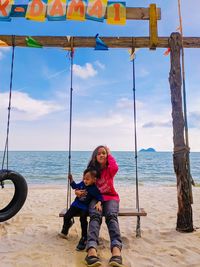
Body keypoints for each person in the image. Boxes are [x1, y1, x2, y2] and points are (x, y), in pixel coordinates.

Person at [75, 146, 123, 267]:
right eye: (99, 153)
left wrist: (109, 153)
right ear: (95, 157)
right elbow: (84, 183)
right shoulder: (92, 171)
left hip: (111, 197)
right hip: (96, 199)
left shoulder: (110, 169)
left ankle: (116, 250)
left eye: (104, 153)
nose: (102, 155)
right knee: (95, 217)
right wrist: (77, 191)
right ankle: (91, 250)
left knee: (111, 216)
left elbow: (115, 167)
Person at [60, 168, 103, 251]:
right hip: (76, 204)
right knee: (66, 216)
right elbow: (74, 186)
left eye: (87, 179)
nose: (85, 180)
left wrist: (99, 203)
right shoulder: (82, 184)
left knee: (83, 219)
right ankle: (65, 229)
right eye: (84, 178)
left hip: (84, 207)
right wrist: (71, 180)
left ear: (94, 180)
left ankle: (84, 237)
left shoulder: (94, 189)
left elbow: (99, 196)